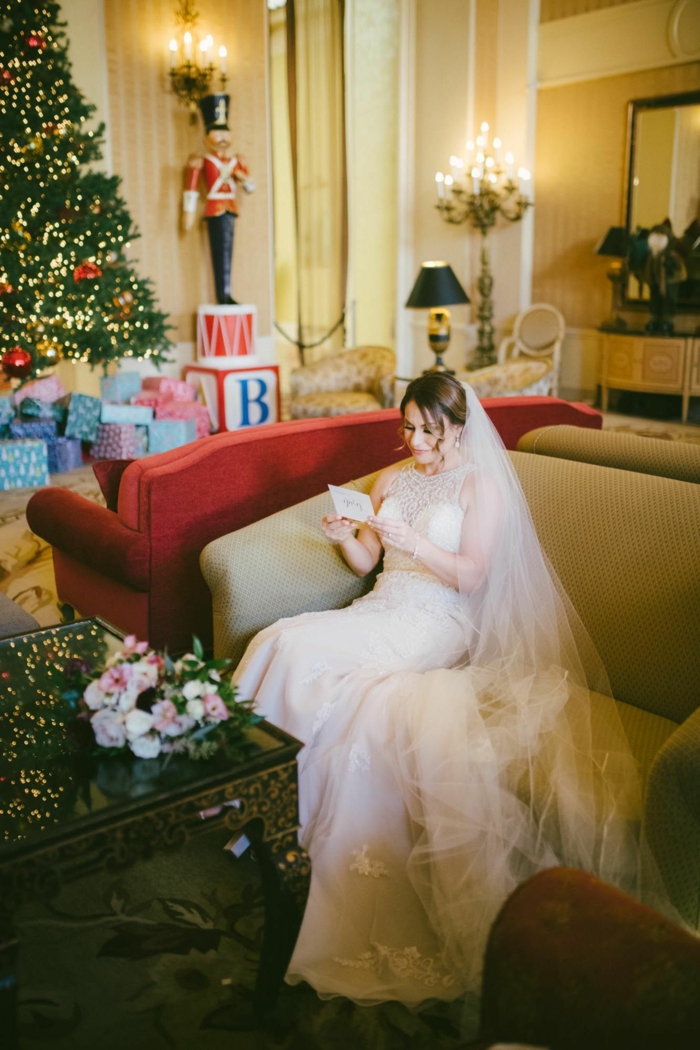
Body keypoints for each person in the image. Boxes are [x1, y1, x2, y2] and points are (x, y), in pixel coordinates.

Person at [232, 373, 660, 1007]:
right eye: (408, 429)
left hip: (438, 620)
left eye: (429, 431)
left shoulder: (478, 484)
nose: (416, 443)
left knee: (318, 664)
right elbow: (365, 563)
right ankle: (257, 812)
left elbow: (472, 576)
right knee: (278, 640)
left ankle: (296, 827)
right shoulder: (389, 482)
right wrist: (348, 535)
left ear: (459, 427)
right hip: (382, 606)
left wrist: (418, 543)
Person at [182, 93, 255, 305]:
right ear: (206, 137)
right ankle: (221, 295)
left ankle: (227, 294)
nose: (222, 138)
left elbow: (250, 187)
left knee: (228, 252)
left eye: (225, 133)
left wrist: (244, 174)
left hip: (231, 208)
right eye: (217, 133)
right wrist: (187, 213)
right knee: (218, 252)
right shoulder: (202, 161)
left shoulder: (236, 161)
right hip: (214, 209)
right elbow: (192, 188)